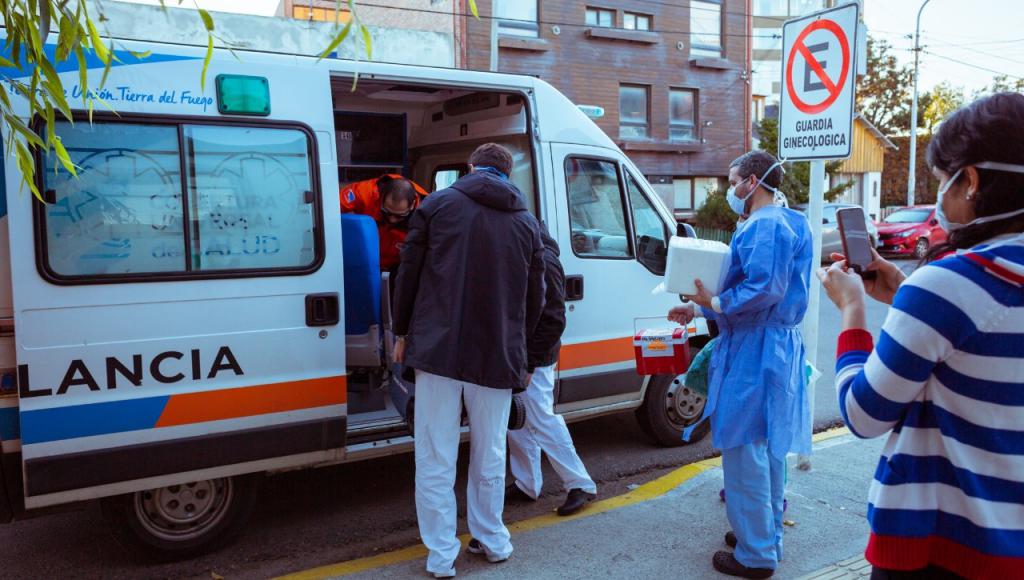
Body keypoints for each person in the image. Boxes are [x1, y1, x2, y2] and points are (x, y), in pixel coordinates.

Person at [817, 92, 1024, 580]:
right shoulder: (949, 291)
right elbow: (981, 352)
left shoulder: (948, 285)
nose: (942, 199)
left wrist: (853, 307)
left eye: (943, 183)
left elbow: (864, 415)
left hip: (939, 550)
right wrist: (907, 295)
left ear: (970, 180)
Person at [392, 143, 545, 579]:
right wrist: (525, 352)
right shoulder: (526, 222)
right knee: (491, 452)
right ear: (507, 174)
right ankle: (493, 539)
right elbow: (537, 298)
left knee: (436, 454)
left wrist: (402, 332)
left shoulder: (437, 206)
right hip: (497, 354)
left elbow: (409, 275)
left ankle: (441, 556)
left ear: (472, 168)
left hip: (438, 352)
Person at [668, 150, 813, 578]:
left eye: (733, 181)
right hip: (770, 344)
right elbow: (753, 291)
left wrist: (713, 302)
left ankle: (756, 554)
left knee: (745, 450)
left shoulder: (765, 225)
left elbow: (762, 289)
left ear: (752, 181)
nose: (730, 190)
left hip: (756, 349)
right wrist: (700, 311)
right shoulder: (788, 222)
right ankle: (763, 534)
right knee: (767, 446)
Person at [507, 223, 598, 516]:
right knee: (518, 421)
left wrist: (531, 363)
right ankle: (527, 483)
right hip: (523, 355)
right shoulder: (532, 254)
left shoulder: (544, 261)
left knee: (540, 418)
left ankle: (580, 483)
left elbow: (554, 319)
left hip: (535, 358)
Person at [339, 174, 428, 271]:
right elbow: (329, 209)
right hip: (361, 257)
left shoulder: (426, 213)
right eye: (387, 213)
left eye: (399, 216)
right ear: (381, 198)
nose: (392, 220)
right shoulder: (364, 193)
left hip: (398, 265)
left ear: (412, 205)